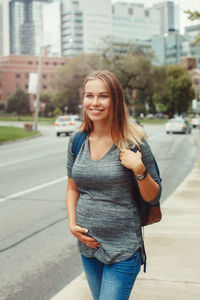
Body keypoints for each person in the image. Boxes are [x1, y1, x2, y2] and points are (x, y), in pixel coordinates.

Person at [66, 70, 162, 300]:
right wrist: (72, 225)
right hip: (89, 248)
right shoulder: (77, 140)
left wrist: (139, 169)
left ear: (116, 100)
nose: (94, 102)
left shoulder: (133, 142)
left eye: (103, 96)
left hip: (123, 249)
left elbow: (153, 196)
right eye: (89, 95)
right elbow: (72, 188)